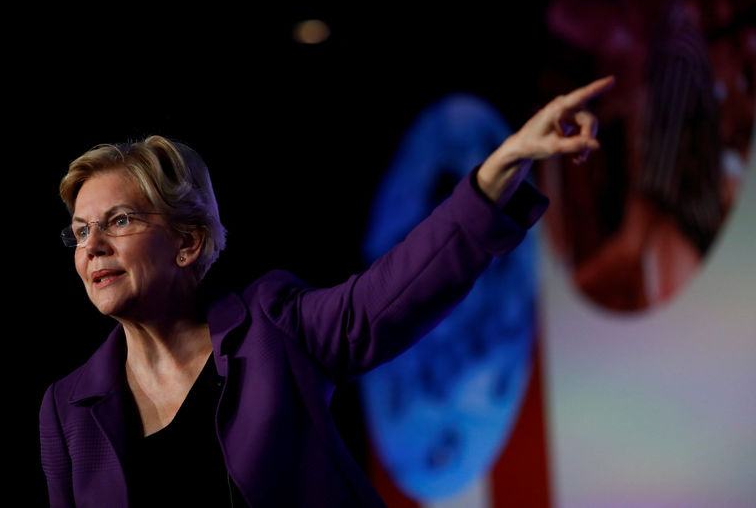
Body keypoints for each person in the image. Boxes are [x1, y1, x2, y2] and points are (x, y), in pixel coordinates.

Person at [39, 77, 614, 507]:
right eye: (81, 231)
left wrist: (499, 171)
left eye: (118, 222)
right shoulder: (67, 410)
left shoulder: (273, 329)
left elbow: (399, 289)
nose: (92, 247)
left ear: (187, 243)